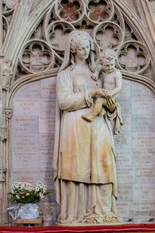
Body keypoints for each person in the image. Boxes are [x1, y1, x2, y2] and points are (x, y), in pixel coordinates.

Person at [53, 30, 122, 225]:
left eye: (88, 47)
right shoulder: (66, 74)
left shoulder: (98, 73)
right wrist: (90, 94)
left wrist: (110, 104)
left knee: (104, 164)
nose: (85, 51)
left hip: (99, 124)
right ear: (73, 50)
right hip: (75, 126)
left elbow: (110, 95)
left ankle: (103, 212)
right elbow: (63, 101)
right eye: (81, 48)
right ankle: (75, 214)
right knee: (76, 169)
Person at [82, 49, 122, 127]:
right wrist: (96, 73)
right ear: (102, 64)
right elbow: (98, 67)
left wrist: (111, 93)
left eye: (112, 64)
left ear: (115, 62)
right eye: (107, 65)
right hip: (105, 94)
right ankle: (102, 110)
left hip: (112, 96)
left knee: (99, 100)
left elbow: (119, 87)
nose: (110, 67)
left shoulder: (116, 73)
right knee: (100, 101)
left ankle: (92, 116)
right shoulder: (103, 68)